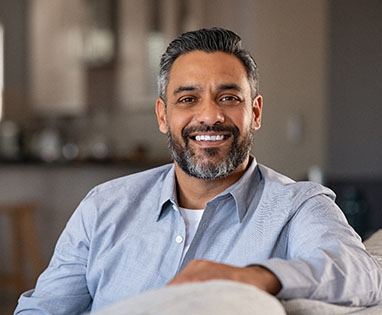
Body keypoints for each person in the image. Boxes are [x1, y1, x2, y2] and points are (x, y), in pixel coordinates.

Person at [14, 27, 382, 314]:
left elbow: (362, 274)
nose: (209, 115)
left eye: (228, 97)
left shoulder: (299, 205)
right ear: (163, 115)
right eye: (188, 99)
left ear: (254, 112)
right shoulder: (103, 206)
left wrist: (250, 277)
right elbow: (43, 308)